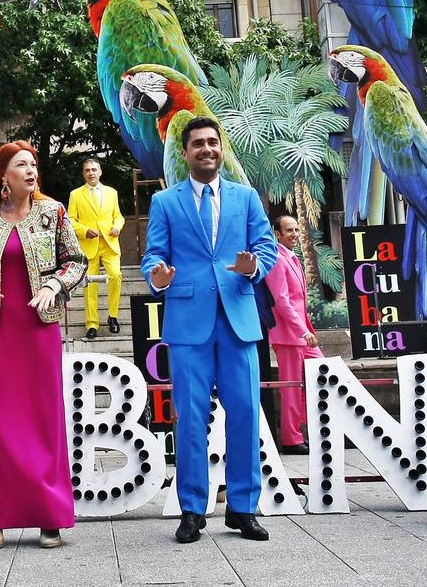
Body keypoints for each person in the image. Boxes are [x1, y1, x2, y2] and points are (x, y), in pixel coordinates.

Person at [141, 117, 277, 544]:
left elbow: (267, 247)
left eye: (213, 142)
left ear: (221, 149)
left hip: (238, 318)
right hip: (188, 323)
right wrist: (157, 277)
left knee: (245, 414)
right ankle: (193, 510)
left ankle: (242, 507)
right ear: (185, 153)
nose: (206, 149)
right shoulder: (165, 201)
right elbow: (153, 256)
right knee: (191, 419)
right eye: (197, 143)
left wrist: (254, 267)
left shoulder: (246, 197)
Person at [0, 141, 86, 550]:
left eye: (33, 165)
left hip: (38, 329)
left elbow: (76, 261)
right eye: (21, 165)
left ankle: (49, 517)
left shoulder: (54, 213)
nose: (31, 171)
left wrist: (53, 284)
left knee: (44, 420)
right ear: (3, 175)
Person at [264, 215, 320, 455]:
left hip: (301, 333)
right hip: (288, 335)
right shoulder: (277, 259)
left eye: (296, 230)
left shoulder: (292, 258)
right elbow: (281, 300)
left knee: (321, 373)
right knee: (291, 388)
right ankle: (291, 438)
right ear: (277, 234)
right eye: (289, 230)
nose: (295, 234)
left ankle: (307, 425)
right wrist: (302, 330)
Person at [67, 157, 124, 339]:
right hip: (88, 245)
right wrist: (84, 230)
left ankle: (113, 316)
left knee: (115, 275)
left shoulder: (111, 193)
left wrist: (118, 226)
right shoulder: (76, 195)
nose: (91, 173)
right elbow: (70, 221)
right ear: (83, 174)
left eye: (94, 169)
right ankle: (92, 324)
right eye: (87, 170)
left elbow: (119, 216)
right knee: (89, 285)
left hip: (109, 243)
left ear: (100, 172)